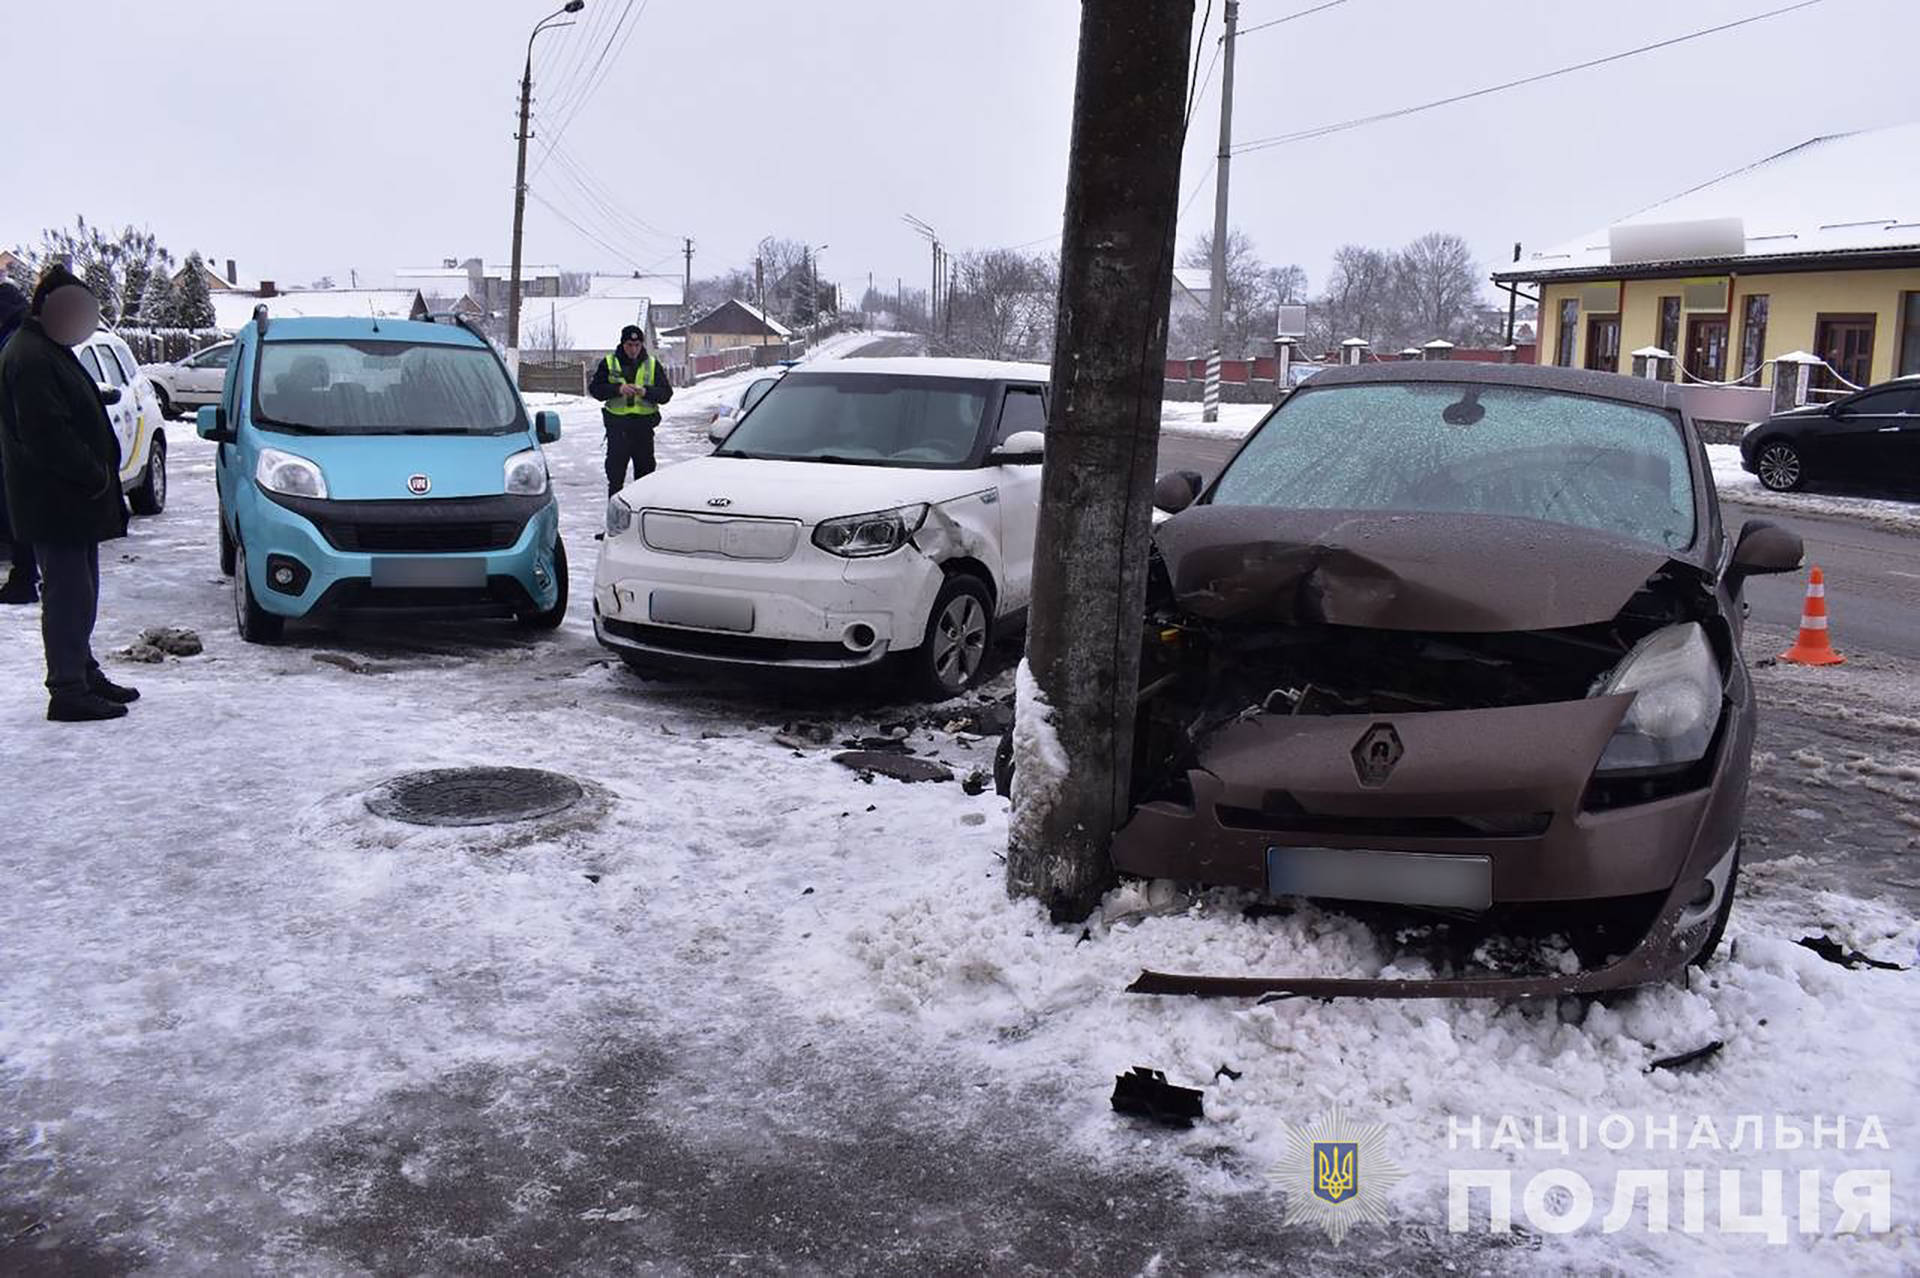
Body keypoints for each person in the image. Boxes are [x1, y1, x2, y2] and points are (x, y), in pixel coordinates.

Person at [0, 265, 138, 721]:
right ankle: (67, 689)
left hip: (71, 502)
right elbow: (46, 434)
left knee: (82, 591)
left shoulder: (49, 349)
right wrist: (93, 475)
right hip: (55, 500)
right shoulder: (30, 357)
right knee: (67, 595)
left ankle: (82, 669)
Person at [588, 324, 674, 495]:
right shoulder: (609, 362)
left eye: (637, 345)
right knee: (615, 476)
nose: (633, 349)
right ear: (622, 344)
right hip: (618, 429)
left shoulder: (652, 364)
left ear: (642, 345)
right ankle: (614, 514)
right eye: (629, 345)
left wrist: (645, 392)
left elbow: (666, 394)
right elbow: (595, 390)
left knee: (645, 478)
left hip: (643, 429)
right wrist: (617, 390)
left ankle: (640, 516)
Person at [0, 280, 38, 604]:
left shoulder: (14, 346)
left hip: (16, 447)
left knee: (16, 512)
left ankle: (25, 577)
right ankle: (25, 574)